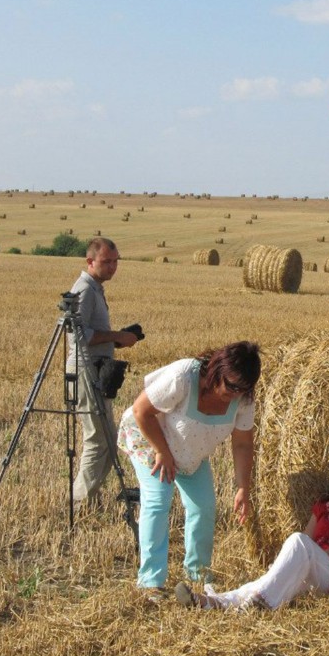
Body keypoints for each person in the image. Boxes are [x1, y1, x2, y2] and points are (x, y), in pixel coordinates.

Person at [118, 341, 261, 595]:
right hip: (152, 441)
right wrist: (162, 451)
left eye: (243, 388)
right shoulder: (185, 375)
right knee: (158, 500)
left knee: (203, 506)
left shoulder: (243, 399)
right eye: (231, 385)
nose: (235, 394)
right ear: (217, 369)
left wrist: (242, 487)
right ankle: (151, 582)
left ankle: (198, 574)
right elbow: (142, 411)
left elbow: (242, 444)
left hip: (189, 451)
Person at [175, 443, 329, 611]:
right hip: (318, 568)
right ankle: (210, 602)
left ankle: (262, 604)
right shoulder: (326, 505)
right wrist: (291, 562)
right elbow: (308, 538)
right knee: (269, 580)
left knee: (295, 544)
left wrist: (303, 557)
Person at [68, 237, 140, 506]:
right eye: (106, 261)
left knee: (107, 441)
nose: (112, 267)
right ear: (90, 261)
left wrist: (118, 339)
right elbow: (77, 336)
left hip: (95, 369)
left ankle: (88, 499)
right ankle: (78, 503)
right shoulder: (85, 290)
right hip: (87, 371)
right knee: (98, 441)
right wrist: (115, 335)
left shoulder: (95, 288)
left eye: (115, 261)